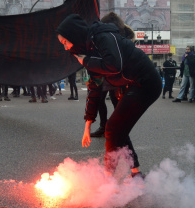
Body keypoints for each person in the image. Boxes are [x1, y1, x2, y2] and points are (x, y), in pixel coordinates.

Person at [56, 14, 162, 177]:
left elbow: (114, 65)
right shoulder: (88, 50)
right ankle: (136, 174)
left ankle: (108, 181)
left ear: (73, 34)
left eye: (65, 42)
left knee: (112, 128)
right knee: (120, 129)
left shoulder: (103, 35)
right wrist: (88, 123)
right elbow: (94, 88)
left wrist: (86, 62)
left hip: (146, 82)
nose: (65, 47)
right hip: (130, 84)